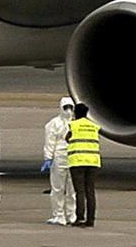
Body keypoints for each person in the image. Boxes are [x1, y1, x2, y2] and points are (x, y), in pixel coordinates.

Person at [42, 96, 76, 226]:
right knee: (58, 189)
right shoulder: (54, 123)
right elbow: (50, 142)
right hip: (59, 158)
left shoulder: (74, 123)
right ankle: (59, 215)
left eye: (70, 108)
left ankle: (71, 214)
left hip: (72, 157)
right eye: (65, 108)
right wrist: (48, 158)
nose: (68, 111)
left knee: (72, 189)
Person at [67, 102, 101, 228]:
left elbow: (67, 138)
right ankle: (91, 219)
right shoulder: (94, 126)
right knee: (90, 191)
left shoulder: (73, 125)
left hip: (78, 161)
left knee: (79, 191)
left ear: (76, 113)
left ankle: (80, 218)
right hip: (93, 161)